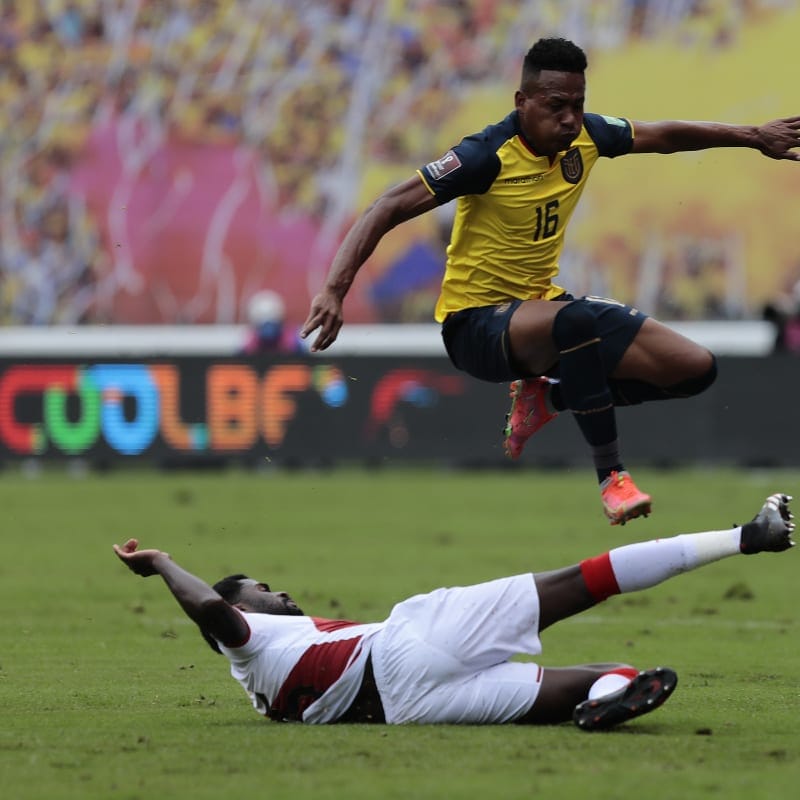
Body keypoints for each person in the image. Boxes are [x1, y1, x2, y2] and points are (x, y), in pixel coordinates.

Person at [300, 37, 800, 525]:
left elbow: (664, 136)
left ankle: (550, 398)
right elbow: (387, 205)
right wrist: (334, 290)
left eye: (578, 106)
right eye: (557, 106)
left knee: (694, 369)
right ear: (523, 102)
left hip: (548, 311)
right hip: (476, 326)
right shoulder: (484, 155)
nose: (570, 119)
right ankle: (613, 479)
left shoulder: (588, 138)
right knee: (576, 320)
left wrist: (754, 136)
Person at [113, 493, 794, 730]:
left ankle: (607, 698)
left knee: (599, 677)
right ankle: (746, 537)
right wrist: (163, 563)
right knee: (580, 582)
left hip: (411, 707)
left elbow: (225, 616)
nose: (279, 594)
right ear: (238, 607)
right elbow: (214, 613)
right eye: (262, 589)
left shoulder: (265, 691)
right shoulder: (248, 639)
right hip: (406, 646)